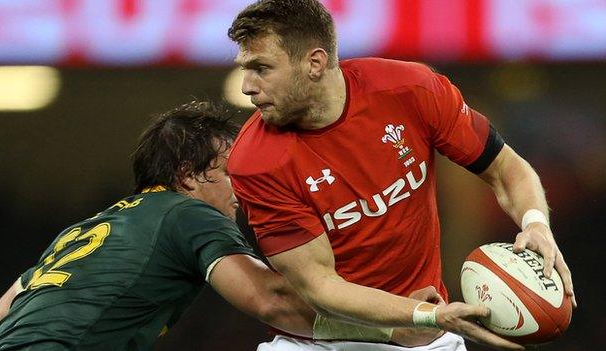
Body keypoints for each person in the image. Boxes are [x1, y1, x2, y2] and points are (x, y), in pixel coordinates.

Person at [227, 1, 576, 350]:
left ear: (315, 63)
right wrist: (420, 314)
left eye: (261, 68)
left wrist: (535, 224)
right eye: (245, 69)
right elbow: (320, 286)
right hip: (325, 339)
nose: (246, 86)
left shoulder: (411, 90)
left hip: (426, 334)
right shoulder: (256, 162)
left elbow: (505, 169)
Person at [0, 102, 444, 350]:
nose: (243, 190)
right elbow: (272, 299)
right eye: (232, 173)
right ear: (188, 176)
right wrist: (397, 327)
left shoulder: (84, 231)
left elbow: (3, 308)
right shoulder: (187, 214)